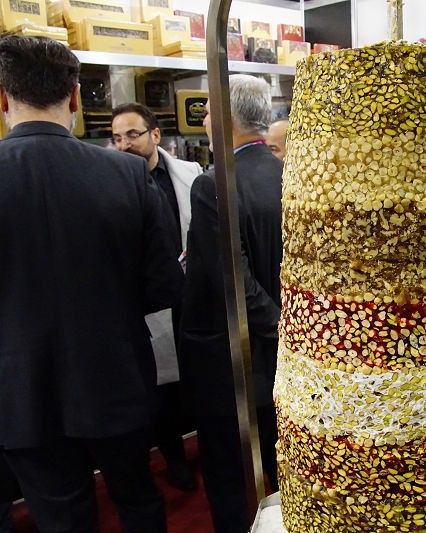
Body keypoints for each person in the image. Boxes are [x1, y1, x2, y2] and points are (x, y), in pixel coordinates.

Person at [0, 36, 182, 532]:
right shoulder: (127, 174)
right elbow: (165, 285)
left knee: (60, 516)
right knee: (138, 500)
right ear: (77, 97)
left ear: (4, 98)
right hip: (115, 375)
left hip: (19, 389)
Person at [179, 74, 283, 533]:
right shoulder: (287, 173)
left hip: (234, 361)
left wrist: (276, 324)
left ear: (225, 116)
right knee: (284, 469)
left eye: (207, 111)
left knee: (229, 478)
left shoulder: (214, 183)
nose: (203, 120)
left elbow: (232, 277)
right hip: (283, 359)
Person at [111, 102, 203, 491]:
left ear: (155, 135)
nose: (124, 145)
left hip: (193, 293)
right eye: (116, 138)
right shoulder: (113, 181)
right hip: (148, 300)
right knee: (161, 389)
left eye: (132, 135)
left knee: (198, 377)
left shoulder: (189, 172)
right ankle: (174, 459)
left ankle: (205, 447)